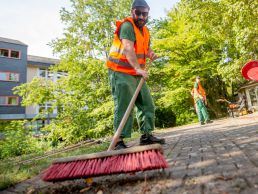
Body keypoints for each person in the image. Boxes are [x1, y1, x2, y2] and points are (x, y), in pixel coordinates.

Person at [106, 0, 165, 149]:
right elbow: (127, 48)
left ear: (148, 13)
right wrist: (138, 68)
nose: (141, 16)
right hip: (121, 71)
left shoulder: (145, 31)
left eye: (144, 13)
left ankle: (146, 136)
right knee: (125, 105)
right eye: (137, 12)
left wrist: (151, 53)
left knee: (147, 103)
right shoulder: (127, 26)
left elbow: (146, 48)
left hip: (137, 72)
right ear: (132, 11)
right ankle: (119, 140)